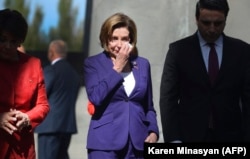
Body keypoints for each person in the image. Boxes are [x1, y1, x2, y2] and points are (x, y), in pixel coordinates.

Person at [160, 0, 250, 143]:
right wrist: (174, 140)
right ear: (197, 19)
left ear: (226, 20)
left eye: (218, 23)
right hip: (189, 137)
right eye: (206, 23)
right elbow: (168, 99)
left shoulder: (242, 51)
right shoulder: (178, 51)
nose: (212, 29)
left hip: (231, 138)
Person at [83, 12, 159, 158]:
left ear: (131, 40)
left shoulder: (143, 64)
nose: (119, 45)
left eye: (124, 39)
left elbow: (148, 106)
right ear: (106, 39)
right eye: (114, 39)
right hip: (104, 144)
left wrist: (153, 131)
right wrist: (117, 67)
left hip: (138, 144)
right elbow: (96, 97)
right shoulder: (92, 64)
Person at [0, 9, 50, 159]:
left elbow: (43, 105)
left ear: (20, 41)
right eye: (2, 39)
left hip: (22, 150)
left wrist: (28, 117)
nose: (8, 46)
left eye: (13, 41)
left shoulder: (33, 65)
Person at [35, 40, 80, 159]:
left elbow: (41, 94)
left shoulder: (51, 70)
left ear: (51, 53)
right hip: (67, 126)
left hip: (49, 126)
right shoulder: (74, 73)